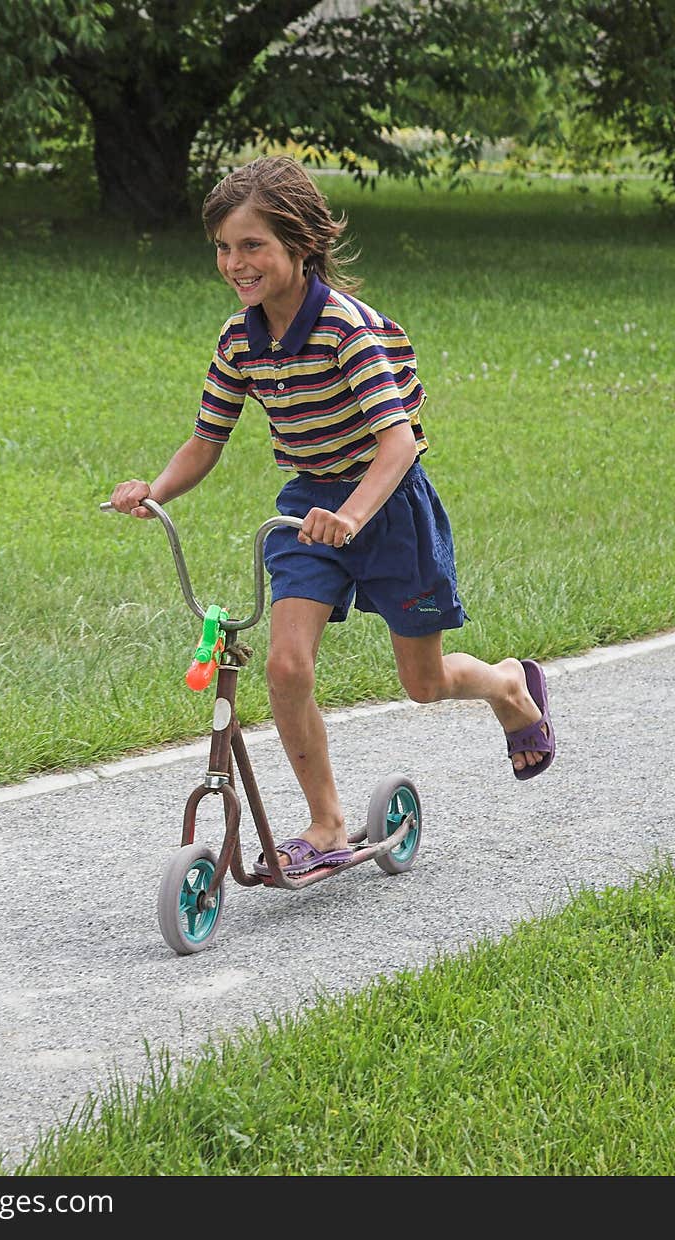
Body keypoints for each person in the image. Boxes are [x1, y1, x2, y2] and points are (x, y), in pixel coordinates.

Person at [109, 156, 555, 877]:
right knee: (285, 666)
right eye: (223, 247)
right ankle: (326, 822)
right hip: (308, 512)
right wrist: (153, 489)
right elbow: (206, 439)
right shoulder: (238, 341)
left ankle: (509, 687)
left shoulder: (345, 329)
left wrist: (351, 515)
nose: (235, 263)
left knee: (424, 680)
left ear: (299, 245)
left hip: (389, 507)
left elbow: (398, 442)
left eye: (252, 245)